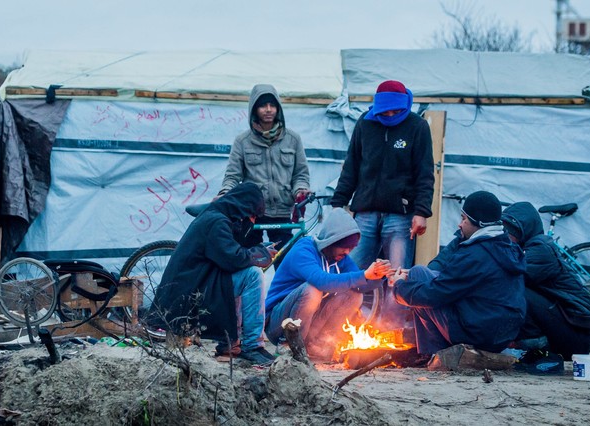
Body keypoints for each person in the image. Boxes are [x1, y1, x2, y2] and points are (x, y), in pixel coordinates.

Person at [329, 79, 435, 320]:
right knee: (352, 270)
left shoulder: (417, 127)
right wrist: (338, 205)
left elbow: (425, 173)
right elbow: (351, 168)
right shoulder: (365, 124)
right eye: (384, 110)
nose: (389, 114)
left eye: (394, 110)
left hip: (400, 214)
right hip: (365, 213)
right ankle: (336, 324)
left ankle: (391, 330)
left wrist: (421, 211)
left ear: (403, 106)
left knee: (396, 275)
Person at [151, 183, 278, 366]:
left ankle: (230, 344)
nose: (252, 221)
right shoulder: (217, 222)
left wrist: (256, 251)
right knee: (252, 274)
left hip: (196, 282)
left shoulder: (216, 217)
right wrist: (260, 253)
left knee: (241, 275)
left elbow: (228, 254)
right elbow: (232, 258)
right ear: (243, 207)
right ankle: (252, 345)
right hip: (192, 290)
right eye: (252, 215)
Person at [390, 191, 526, 355]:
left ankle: (432, 355)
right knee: (418, 274)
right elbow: (454, 280)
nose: (459, 225)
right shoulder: (506, 248)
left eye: (464, 219)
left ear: (479, 223)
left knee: (419, 281)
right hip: (501, 334)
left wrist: (399, 287)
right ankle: (435, 353)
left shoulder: (475, 255)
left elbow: (435, 294)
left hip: (478, 333)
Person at [265, 208, 392, 360]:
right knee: (312, 290)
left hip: (309, 321)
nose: (347, 252)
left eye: (351, 248)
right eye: (344, 247)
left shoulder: (339, 256)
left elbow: (360, 285)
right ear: (331, 241)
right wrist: (365, 274)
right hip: (277, 323)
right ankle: (288, 345)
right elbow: (322, 281)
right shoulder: (304, 250)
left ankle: (316, 345)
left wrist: (379, 275)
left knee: (354, 295)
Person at [502, 202, 590, 360]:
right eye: (505, 230)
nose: (507, 236)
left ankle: (536, 347)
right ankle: (531, 347)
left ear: (524, 231)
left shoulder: (541, 251)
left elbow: (507, 276)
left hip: (578, 333)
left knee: (515, 289)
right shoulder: (525, 248)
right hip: (572, 327)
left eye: (512, 231)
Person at [218, 84, 310, 249]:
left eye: (272, 105)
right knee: (250, 262)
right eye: (263, 105)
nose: (268, 109)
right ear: (254, 109)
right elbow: (233, 176)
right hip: (252, 212)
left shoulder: (293, 139)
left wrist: (300, 190)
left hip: (282, 211)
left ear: (278, 108)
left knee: (285, 264)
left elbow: (300, 174)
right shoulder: (243, 141)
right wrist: (224, 193)